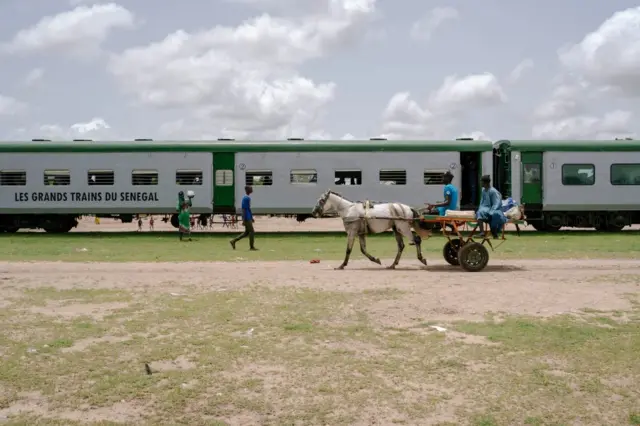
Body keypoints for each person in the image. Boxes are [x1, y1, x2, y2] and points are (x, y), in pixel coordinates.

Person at [230, 186, 257, 251]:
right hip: (247, 217)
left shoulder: (247, 198)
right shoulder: (246, 198)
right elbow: (244, 209)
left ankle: (233, 241)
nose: (252, 189)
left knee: (246, 232)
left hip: (248, 216)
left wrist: (251, 217)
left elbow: (248, 209)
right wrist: (244, 219)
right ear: (248, 190)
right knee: (251, 231)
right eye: (251, 188)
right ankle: (251, 247)